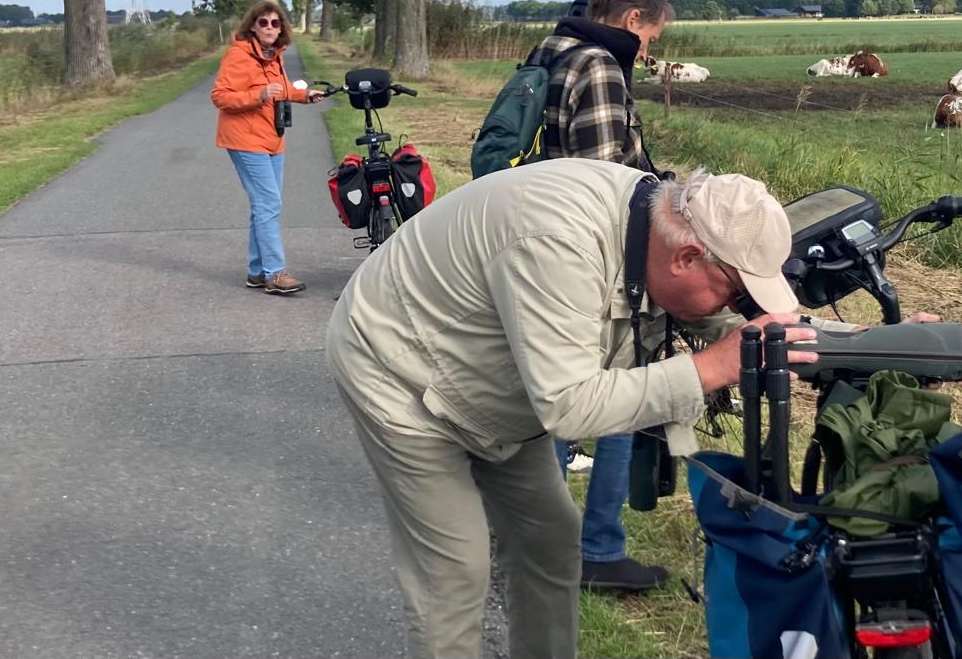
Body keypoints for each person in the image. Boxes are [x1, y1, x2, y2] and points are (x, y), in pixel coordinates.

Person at [325, 162, 816, 659]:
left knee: (551, 542)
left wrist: (823, 343)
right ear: (687, 257)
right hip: (398, 367)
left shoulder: (652, 229)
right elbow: (569, 406)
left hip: (497, 376)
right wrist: (708, 368)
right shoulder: (558, 242)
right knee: (455, 568)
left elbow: (727, 325)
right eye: (736, 294)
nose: (734, 309)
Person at [528, 0, 673, 592]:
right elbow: (605, 180)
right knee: (624, 388)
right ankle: (597, 550)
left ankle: (540, 539)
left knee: (551, 395)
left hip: (536, 239)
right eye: (650, 37)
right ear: (633, 17)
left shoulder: (550, 51)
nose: (647, 51)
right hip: (592, 254)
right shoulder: (600, 65)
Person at [210, 0, 322, 295]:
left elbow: (282, 89)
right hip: (245, 139)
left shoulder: (274, 56)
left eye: (275, 23)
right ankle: (275, 273)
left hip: (273, 138)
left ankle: (257, 271)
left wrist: (304, 95)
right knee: (269, 204)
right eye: (264, 22)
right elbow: (220, 96)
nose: (270, 28)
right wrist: (257, 95)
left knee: (263, 206)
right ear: (252, 26)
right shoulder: (239, 55)